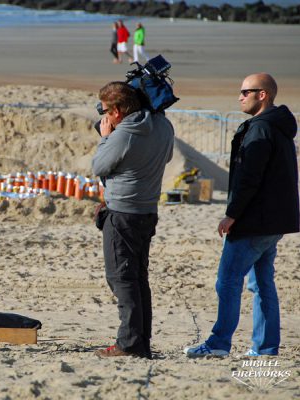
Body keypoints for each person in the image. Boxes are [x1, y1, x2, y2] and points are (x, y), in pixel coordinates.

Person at [185, 73, 299, 358]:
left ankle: (219, 343)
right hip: (273, 221)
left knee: (227, 280)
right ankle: (265, 347)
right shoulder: (278, 125)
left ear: (263, 95)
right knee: (261, 284)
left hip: (256, 220)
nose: (240, 96)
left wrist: (231, 215)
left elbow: (250, 178)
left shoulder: (262, 128)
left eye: (246, 91)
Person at [92, 82, 175, 359]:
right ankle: (141, 341)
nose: (103, 115)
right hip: (147, 211)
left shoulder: (124, 133)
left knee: (121, 278)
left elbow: (99, 167)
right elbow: (168, 156)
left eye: (105, 111)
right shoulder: (163, 126)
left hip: (122, 214)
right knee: (138, 278)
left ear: (116, 111)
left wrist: (105, 137)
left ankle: (129, 344)